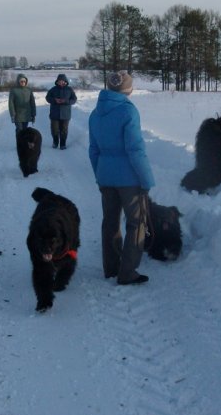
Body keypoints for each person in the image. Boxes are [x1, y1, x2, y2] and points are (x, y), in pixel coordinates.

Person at [88, 70, 155, 285]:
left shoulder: (95, 113)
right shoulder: (128, 111)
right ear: (127, 89)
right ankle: (127, 272)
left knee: (110, 222)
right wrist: (146, 180)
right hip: (129, 179)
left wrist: (100, 175)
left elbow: (93, 150)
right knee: (136, 223)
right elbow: (135, 149)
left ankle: (111, 268)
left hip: (105, 176)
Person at [45, 73, 77, 149]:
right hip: (54, 114)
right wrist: (54, 100)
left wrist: (66, 101)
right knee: (54, 130)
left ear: (65, 81)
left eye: (63, 81)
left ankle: (63, 144)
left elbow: (74, 99)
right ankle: (55, 142)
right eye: (59, 81)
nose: (61, 82)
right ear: (57, 81)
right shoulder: (53, 89)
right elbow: (47, 98)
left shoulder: (69, 89)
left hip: (65, 114)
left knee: (64, 130)